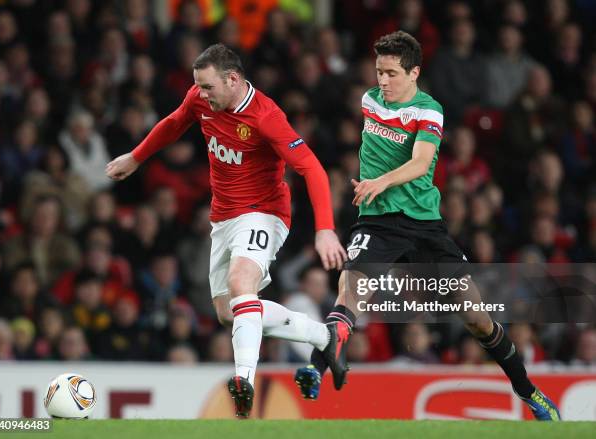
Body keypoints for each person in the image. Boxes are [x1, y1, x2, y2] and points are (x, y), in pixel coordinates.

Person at [295, 31, 561, 421]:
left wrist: (379, 181)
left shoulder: (429, 110)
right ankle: (315, 371)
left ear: (414, 72)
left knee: (476, 317)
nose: (382, 81)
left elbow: (421, 163)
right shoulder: (371, 100)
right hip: (378, 221)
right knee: (351, 290)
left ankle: (529, 392)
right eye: (378, 72)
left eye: (391, 73)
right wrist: (373, 187)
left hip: (424, 225)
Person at [105, 43, 347, 418]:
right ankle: (322, 335)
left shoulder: (266, 117)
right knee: (230, 313)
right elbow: (174, 123)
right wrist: (136, 157)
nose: (200, 94)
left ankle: (243, 382)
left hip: (264, 213)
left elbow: (312, 168)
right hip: (223, 217)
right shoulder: (202, 99)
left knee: (241, 284)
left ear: (233, 80)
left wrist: (325, 230)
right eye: (198, 86)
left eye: (207, 87)